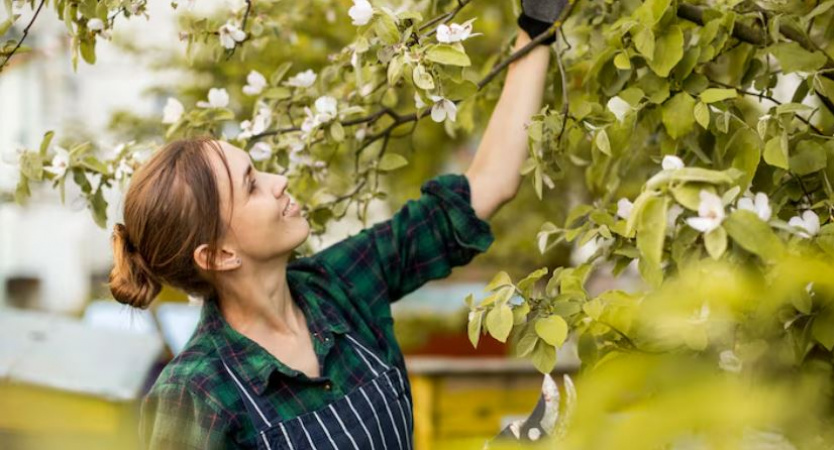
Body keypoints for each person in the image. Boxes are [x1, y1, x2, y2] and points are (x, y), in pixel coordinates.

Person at [110, 1, 564, 448]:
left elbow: (486, 187)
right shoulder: (195, 394)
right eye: (251, 186)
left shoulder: (339, 287)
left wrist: (537, 24)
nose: (279, 181)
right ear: (218, 254)